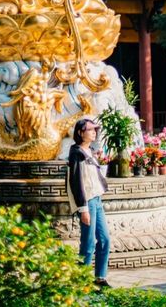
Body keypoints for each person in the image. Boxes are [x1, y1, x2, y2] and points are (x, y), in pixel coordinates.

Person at [67, 117, 111, 288]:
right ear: (80, 132)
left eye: (95, 129)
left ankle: (100, 277)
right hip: (88, 202)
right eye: (90, 129)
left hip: (97, 200)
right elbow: (76, 182)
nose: (94, 132)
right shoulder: (76, 152)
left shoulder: (90, 151)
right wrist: (83, 208)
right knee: (88, 242)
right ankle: (81, 281)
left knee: (105, 239)